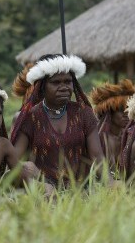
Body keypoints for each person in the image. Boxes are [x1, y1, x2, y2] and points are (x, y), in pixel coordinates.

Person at [11, 54, 107, 192]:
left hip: (80, 190)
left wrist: (110, 183)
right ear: (41, 87)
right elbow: (14, 161)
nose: (64, 87)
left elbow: (97, 157)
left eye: (68, 82)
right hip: (43, 189)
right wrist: (39, 183)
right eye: (56, 82)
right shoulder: (29, 117)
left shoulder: (84, 113)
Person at [90, 79, 135, 168]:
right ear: (109, 113)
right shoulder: (101, 138)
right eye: (121, 110)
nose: (127, 114)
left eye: (129, 110)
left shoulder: (130, 136)